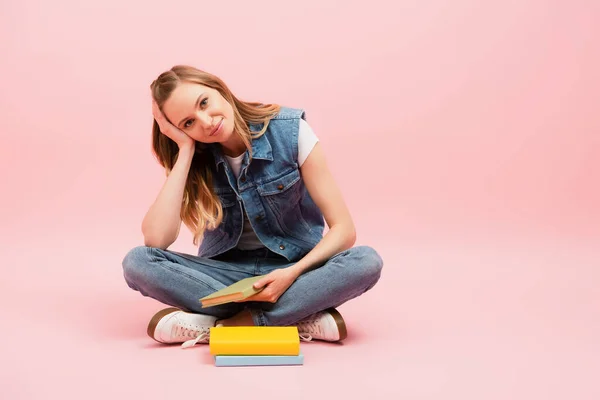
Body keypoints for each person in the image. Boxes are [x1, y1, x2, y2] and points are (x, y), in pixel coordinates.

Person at [122, 65, 384, 348]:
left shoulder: (290, 130)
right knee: (138, 261)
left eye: (204, 103)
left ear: (218, 88)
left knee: (365, 261)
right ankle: (293, 317)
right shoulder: (197, 155)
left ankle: (222, 325)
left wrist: (291, 275)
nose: (205, 122)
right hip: (226, 278)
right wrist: (185, 150)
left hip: (294, 270)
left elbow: (344, 229)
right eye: (188, 123)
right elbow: (156, 240)